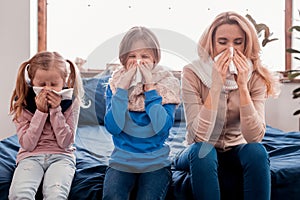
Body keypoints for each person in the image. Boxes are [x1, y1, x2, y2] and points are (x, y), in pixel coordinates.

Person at [173, 11, 280, 200]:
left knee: (257, 152)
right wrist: (216, 86)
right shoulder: (192, 73)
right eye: (222, 42)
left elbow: (254, 137)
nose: (230, 49)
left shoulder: (256, 77)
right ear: (211, 44)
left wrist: (242, 86)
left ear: (246, 45)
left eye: (238, 42)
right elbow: (198, 136)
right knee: (202, 152)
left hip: (237, 148)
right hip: (198, 149)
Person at [102, 26, 181, 200]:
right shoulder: (115, 86)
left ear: (155, 59)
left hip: (156, 163)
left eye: (144, 56)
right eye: (132, 56)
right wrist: (122, 89)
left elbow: (162, 128)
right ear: (123, 59)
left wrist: (150, 89)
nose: (138, 62)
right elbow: (113, 127)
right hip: (122, 162)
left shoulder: (167, 85)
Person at [9, 51, 85, 199]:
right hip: (30, 156)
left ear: (64, 82)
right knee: (19, 194)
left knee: (56, 194)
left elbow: (66, 142)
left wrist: (56, 110)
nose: (48, 89)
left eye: (54, 84)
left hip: (61, 156)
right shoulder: (22, 102)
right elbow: (28, 144)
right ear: (32, 82)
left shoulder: (71, 102)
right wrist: (41, 112)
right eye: (42, 84)